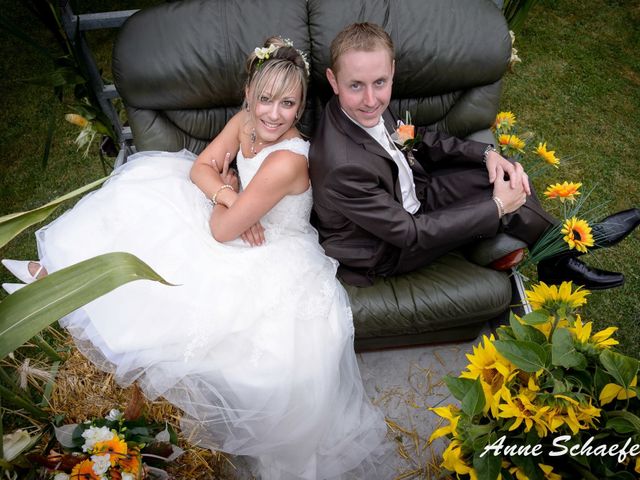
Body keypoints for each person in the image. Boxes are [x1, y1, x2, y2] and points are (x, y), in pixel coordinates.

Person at [2, 37, 393, 480]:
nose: (272, 113)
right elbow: (198, 168)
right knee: (141, 197)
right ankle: (56, 278)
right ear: (247, 94)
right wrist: (228, 193)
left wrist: (230, 202)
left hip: (271, 250)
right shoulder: (246, 121)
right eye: (264, 99)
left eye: (287, 103)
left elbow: (220, 230)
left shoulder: (288, 159)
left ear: (301, 106)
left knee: (195, 300)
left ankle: (58, 289)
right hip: (233, 220)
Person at [309, 22, 640, 289]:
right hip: (390, 248)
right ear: (333, 81)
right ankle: (579, 240)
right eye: (356, 86)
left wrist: (487, 154)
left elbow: (416, 140)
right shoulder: (342, 165)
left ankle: (560, 258)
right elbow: (412, 233)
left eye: (379, 82)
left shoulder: (369, 108)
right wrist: (496, 207)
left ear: (392, 72)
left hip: (416, 195)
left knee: (503, 176)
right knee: (506, 205)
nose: (370, 99)